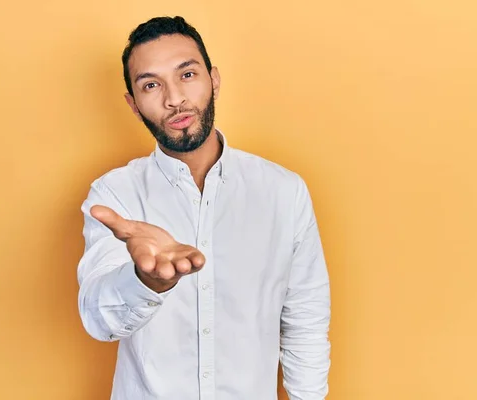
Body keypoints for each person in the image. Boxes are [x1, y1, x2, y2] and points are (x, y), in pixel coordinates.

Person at [77, 15, 331, 400]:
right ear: (133, 104)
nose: (174, 98)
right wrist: (146, 281)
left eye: (187, 75)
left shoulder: (283, 191)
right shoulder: (114, 195)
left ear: (213, 78)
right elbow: (99, 319)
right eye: (150, 85)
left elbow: (305, 321)